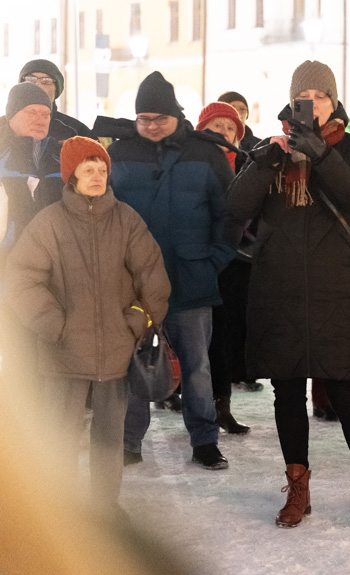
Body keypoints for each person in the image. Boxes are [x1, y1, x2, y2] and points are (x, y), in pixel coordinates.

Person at [227, 60, 350, 534]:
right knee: (286, 391)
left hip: (335, 290)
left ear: (334, 101)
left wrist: (322, 155)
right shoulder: (269, 147)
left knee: (345, 391)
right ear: (293, 100)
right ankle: (297, 488)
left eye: (321, 96)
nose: (313, 103)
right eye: (306, 96)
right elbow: (237, 207)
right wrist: (265, 162)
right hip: (278, 288)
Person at [6, 136, 170, 509]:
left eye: (101, 170)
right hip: (63, 355)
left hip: (115, 353)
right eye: (87, 169)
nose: (96, 176)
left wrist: (138, 320)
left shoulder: (127, 220)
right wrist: (53, 324)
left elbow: (153, 276)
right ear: (71, 176)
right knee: (61, 439)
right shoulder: (49, 223)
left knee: (109, 441)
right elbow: (20, 278)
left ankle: (104, 510)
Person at [94, 71, 236, 470]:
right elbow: (103, 211)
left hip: (191, 279)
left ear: (177, 114)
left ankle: (204, 441)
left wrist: (215, 259)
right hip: (133, 284)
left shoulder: (205, 153)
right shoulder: (119, 154)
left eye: (160, 118)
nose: (152, 126)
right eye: (144, 119)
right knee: (133, 362)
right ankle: (129, 442)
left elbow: (230, 214)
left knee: (196, 365)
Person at [0, 82, 65, 389]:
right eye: (31, 112)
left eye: (45, 113)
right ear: (12, 114)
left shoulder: (60, 153)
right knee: (15, 350)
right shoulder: (2, 151)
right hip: (8, 268)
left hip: (52, 270)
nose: (41, 118)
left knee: (47, 351)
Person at [196, 102, 253, 435]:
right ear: (203, 128)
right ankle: (192, 401)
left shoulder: (246, 164)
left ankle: (222, 406)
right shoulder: (192, 160)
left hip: (235, 262)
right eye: (216, 125)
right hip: (199, 256)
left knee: (224, 335)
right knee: (195, 337)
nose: (223, 132)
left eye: (230, 127)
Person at [18, 59, 94, 140]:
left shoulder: (76, 132)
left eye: (46, 81)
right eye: (31, 80)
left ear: (57, 89)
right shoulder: (4, 129)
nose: (38, 86)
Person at [218, 90, 263, 155]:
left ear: (247, 115)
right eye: (233, 108)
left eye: (242, 109)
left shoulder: (259, 147)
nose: (239, 114)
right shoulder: (209, 145)